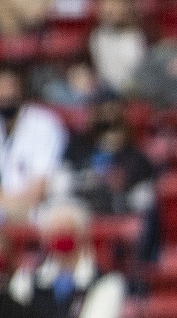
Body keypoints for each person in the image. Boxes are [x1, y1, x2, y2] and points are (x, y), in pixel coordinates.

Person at [0, 63, 68, 227]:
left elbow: (36, 195)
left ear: (21, 91)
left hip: (36, 213)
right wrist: (0, 201)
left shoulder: (45, 123)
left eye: (10, 87)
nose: (4, 94)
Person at [62, 92, 158, 224]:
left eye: (115, 122)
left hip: (121, 207)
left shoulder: (134, 154)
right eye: (104, 122)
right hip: (81, 204)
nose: (109, 120)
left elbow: (138, 180)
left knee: (144, 197)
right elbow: (67, 175)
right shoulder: (79, 144)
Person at [87, 0, 148, 96]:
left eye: (116, 2)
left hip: (141, 93)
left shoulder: (145, 34)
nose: (109, 8)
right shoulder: (95, 35)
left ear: (129, 5)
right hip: (106, 93)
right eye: (105, 2)